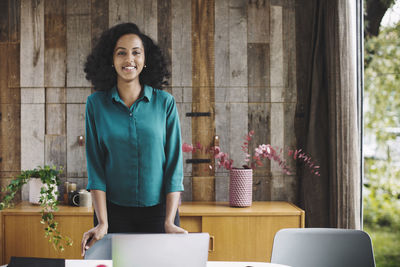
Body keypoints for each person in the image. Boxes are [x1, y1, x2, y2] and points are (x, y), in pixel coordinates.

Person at [81, 23, 187, 257]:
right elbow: (96, 168)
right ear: (111, 59)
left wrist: (169, 222)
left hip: (160, 213)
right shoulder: (96, 105)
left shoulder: (165, 103)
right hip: (113, 214)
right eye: (121, 52)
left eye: (136, 52)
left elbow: (173, 167)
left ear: (145, 59)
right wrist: (102, 223)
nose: (129, 59)